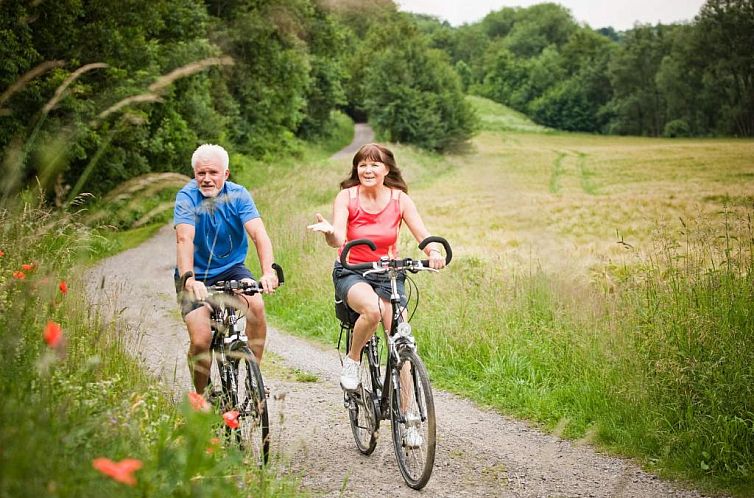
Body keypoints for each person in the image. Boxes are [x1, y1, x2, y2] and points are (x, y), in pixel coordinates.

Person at [307, 143, 445, 393]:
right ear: (356, 169)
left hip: (388, 273)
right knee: (372, 310)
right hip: (352, 270)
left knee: (401, 341)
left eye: (374, 164)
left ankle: (408, 419)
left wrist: (433, 251)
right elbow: (338, 238)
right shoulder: (347, 197)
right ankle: (353, 360)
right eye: (362, 165)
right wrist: (329, 233)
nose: (367, 170)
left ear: (386, 169)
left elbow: (422, 235)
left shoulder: (400, 199)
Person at [174, 143, 279, 394]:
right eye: (201, 173)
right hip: (195, 275)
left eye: (213, 173)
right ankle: (200, 398)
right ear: (194, 174)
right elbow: (184, 239)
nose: (207, 179)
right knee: (201, 340)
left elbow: (258, 234)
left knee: (256, 305)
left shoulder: (239, 195)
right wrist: (189, 279)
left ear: (226, 174)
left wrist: (268, 271)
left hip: (232, 269)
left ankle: (254, 379)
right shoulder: (187, 197)